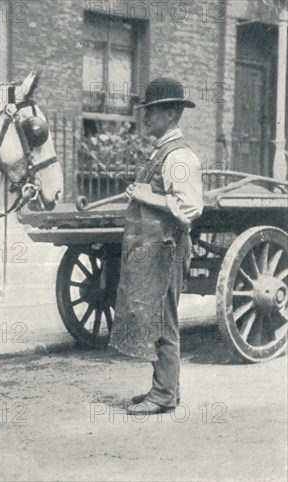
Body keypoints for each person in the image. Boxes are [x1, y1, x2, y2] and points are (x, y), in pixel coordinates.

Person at [109, 78, 204, 415]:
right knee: (158, 317)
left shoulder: (180, 156)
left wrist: (146, 194)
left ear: (172, 113)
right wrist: (142, 191)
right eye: (145, 111)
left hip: (168, 248)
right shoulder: (162, 151)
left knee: (164, 321)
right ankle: (166, 390)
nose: (145, 118)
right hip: (155, 247)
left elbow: (191, 207)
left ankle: (163, 394)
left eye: (152, 112)